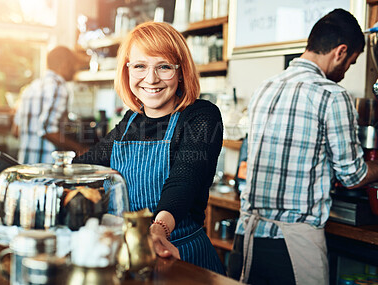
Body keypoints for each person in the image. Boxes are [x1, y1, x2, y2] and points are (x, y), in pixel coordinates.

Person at [227, 9, 378, 285]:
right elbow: (352, 175)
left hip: (247, 237)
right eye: (351, 63)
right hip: (293, 247)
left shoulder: (266, 87)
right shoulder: (333, 95)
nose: (345, 73)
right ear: (340, 52)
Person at [73, 21, 225, 274]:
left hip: (179, 255)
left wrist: (158, 230)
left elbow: (184, 181)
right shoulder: (131, 120)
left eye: (163, 67)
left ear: (180, 71)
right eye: (140, 66)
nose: (151, 79)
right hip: (130, 254)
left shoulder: (201, 116)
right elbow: (87, 167)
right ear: (127, 70)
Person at [12, 46, 87, 164]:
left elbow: (15, 131)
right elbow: (46, 129)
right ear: (65, 64)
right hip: (46, 171)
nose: (75, 70)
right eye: (74, 65)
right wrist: (80, 148)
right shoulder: (58, 88)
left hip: (25, 170)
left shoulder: (30, 87)